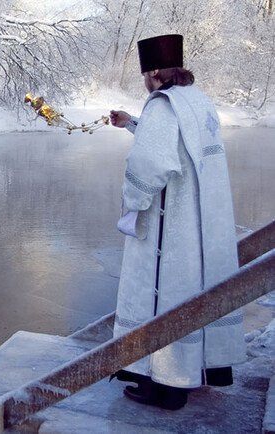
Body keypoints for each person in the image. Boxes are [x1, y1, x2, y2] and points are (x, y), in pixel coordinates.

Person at [108, 34, 246, 410]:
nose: (145, 83)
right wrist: (133, 123)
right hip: (199, 227)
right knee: (189, 295)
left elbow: (151, 163)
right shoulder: (197, 101)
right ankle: (184, 376)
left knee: (162, 299)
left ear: (154, 72)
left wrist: (130, 205)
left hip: (168, 233)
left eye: (145, 75)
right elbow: (175, 143)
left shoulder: (163, 105)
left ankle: (164, 386)